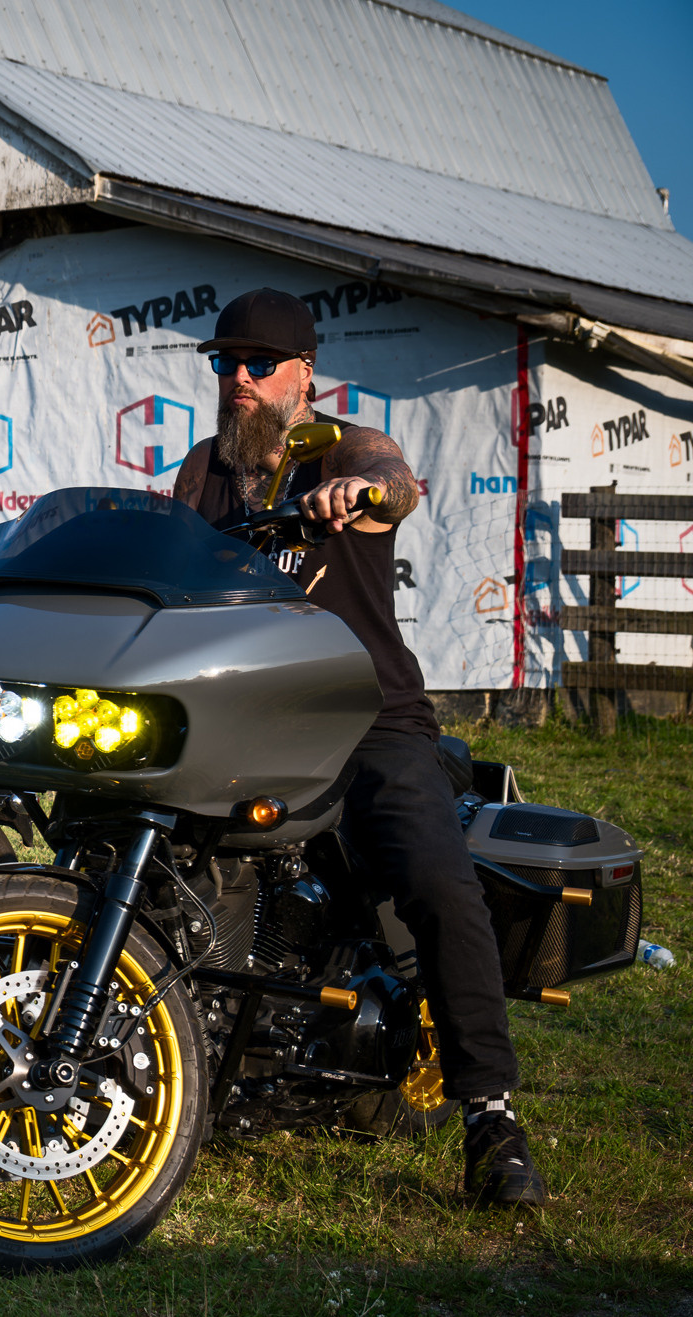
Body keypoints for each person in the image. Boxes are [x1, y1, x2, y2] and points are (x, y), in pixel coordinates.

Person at [174, 286, 543, 1209]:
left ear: (306, 373)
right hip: (241, 716)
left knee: (436, 882)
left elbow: (397, 482)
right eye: (226, 363)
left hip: (365, 715)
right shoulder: (202, 471)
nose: (239, 379)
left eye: (258, 363)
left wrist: (362, 492)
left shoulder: (347, 448)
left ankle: (491, 1117)